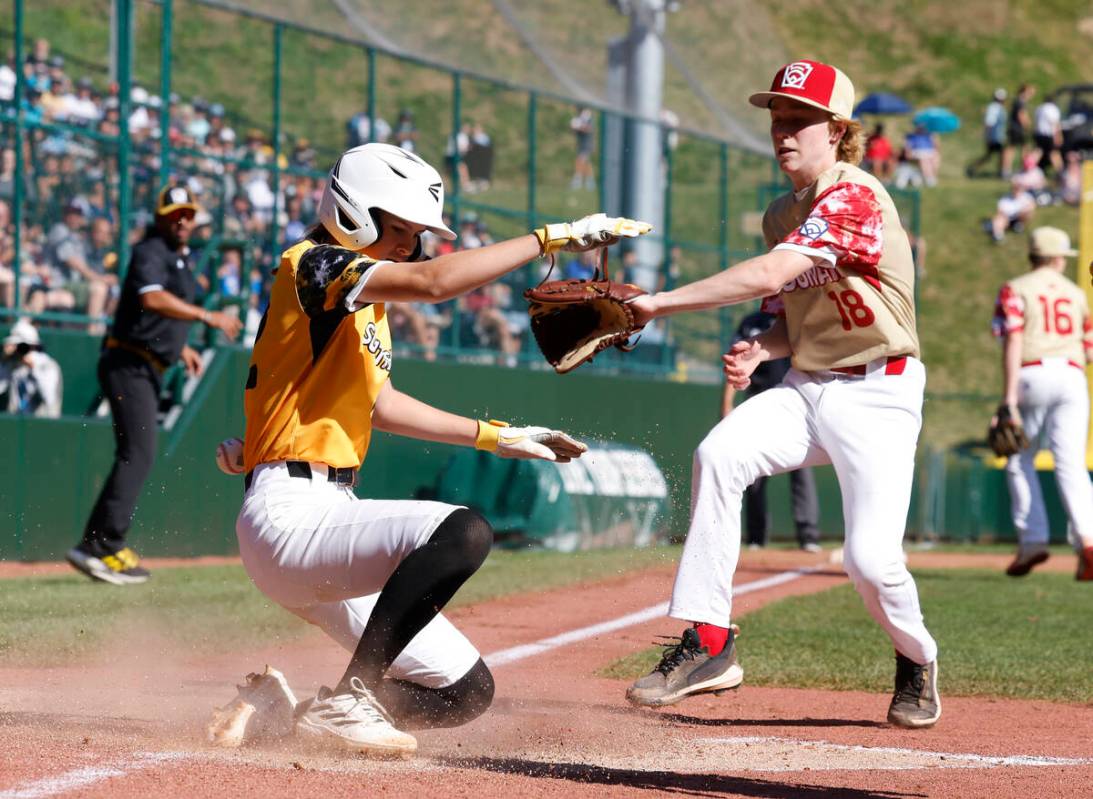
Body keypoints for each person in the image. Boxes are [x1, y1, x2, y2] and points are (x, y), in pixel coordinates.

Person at [209, 143, 647, 756]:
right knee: (464, 532)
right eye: (399, 229)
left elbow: (380, 406)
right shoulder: (312, 264)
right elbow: (437, 282)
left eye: (416, 234)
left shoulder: (363, 301)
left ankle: (284, 715)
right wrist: (550, 238)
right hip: (290, 518)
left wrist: (499, 437)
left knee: (465, 693)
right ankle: (351, 698)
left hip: (326, 515)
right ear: (352, 210)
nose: (408, 245)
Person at [622, 60, 940, 729]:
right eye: (777, 117)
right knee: (719, 453)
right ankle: (708, 643)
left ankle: (915, 657)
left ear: (838, 130)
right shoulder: (780, 214)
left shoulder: (855, 195)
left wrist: (657, 303)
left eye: (800, 119)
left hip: (878, 393)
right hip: (807, 389)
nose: (783, 130)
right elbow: (789, 314)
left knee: (869, 562)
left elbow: (771, 271)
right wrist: (761, 346)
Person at [65, 186, 243, 586]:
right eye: (174, 213)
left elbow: (159, 315)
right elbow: (151, 299)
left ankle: (97, 543)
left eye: (187, 213)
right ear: (161, 217)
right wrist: (205, 316)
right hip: (126, 363)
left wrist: (180, 349)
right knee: (138, 453)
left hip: (145, 363)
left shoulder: (179, 258)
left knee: (137, 453)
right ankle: (102, 544)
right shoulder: (151, 251)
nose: (181, 220)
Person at [991, 227, 1093, 581]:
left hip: (1032, 373)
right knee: (1072, 464)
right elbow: (1090, 349)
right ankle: (1088, 539)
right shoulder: (1077, 293)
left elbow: (1013, 339)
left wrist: (1007, 400)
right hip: (1073, 375)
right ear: (1058, 257)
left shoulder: (1016, 287)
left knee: (1019, 459)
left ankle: (1033, 540)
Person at [723, 310, 821, 552]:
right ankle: (756, 537)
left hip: (796, 399)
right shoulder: (750, 323)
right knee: (753, 474)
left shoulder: (799, 315)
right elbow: (733, 363)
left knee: (801, 470)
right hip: (758, 400)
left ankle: (808, 535)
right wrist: (726, 403)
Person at [0, 318, 62, 417]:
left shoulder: (48, 365)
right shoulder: (13, 364)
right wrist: (4, 362)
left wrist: (34, 368)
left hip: (43, 426)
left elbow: (49, 398)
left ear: (32, 346)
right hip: (17, 425)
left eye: (20, 346)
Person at [966, 89, 1008, 178]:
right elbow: (989, 122)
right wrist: (986, 135)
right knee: (1001, 153)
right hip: (994, 136)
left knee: (990, 156)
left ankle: (972, 168)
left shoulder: (998, 108)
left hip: (997, 136)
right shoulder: (994, 108)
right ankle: (1002, 172)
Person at [1004, 84, 1035, 178]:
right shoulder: (1020, 102)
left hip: (1014, 128)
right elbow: (1021, 116)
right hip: (1018, 129)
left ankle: (1007, 170)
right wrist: (1028, 126)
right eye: (1029, 93)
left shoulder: (1017, 101)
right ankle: (1021, 169)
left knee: (1014, 148)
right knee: (1022, 148)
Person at [1032, 94, 1063, 176]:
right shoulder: (1052, 109)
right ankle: (1060, 172)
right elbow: (1055, 123)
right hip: (1048, 134)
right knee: (1054, 153)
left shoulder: (1039, 108)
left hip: (1038, 133)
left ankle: (1029, 167)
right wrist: (1058, 136)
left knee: (1038, 151)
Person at [570, 106, 595, 190]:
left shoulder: (587, 117)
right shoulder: (580, 118)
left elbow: (589, 129)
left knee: (580, 161)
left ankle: (578, 180)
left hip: (587, 144)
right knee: (586, 162)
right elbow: (575, 131)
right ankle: (590, 182)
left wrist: (579, 127)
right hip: (582, 144)